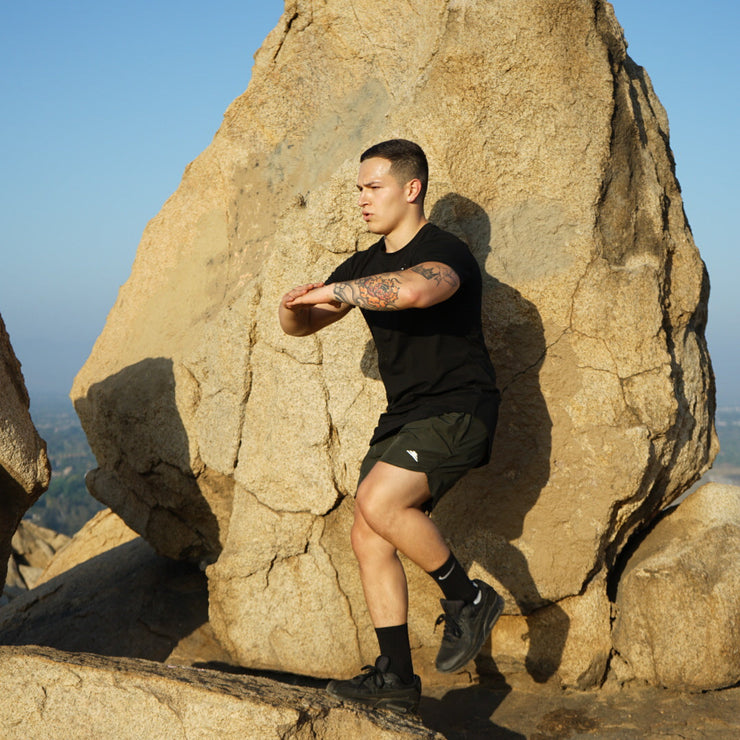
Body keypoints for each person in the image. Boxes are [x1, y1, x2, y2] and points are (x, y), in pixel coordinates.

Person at [278, 139, 503, 714]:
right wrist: (292, 305)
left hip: (458, 408)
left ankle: (469, 597)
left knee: (379, 500)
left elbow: (414, 290)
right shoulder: (364, 263)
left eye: (372, 187)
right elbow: (302, 325)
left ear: (411, 189)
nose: (362, 199)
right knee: (368, 532)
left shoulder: (444, 250)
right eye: (359, 188)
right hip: (404, 416)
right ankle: (396, 676)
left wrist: (331, 290)